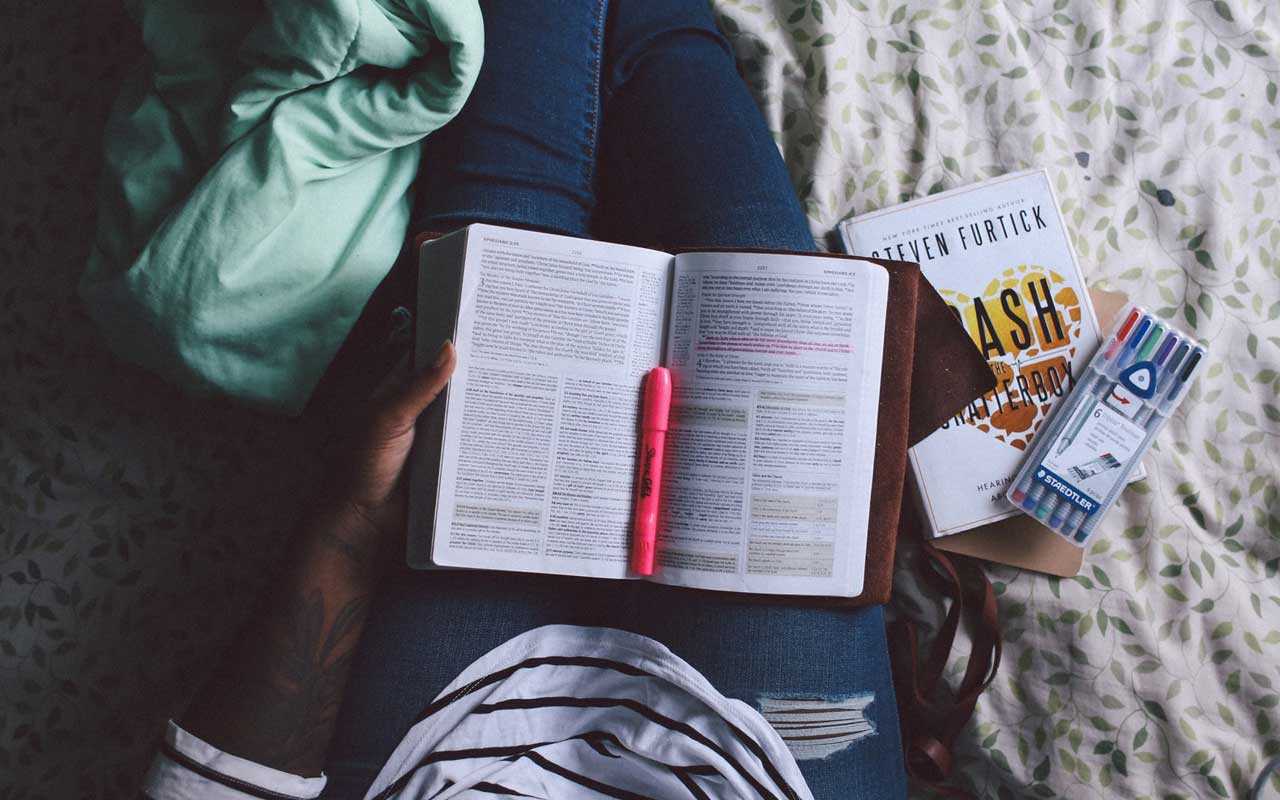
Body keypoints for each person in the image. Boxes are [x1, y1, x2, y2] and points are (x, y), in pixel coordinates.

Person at [141, 1, 908, 797]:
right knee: (743, 244)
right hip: (760, 770)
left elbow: (224, 779)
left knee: (503, 220)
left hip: (441, 758)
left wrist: (355, 516)